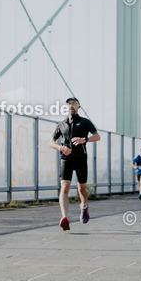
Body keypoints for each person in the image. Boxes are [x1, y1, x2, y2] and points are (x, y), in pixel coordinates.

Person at [49, 98, 100, 230]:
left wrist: (85, 139)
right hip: (66, 159)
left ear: (78, 106)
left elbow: (97, 136)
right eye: (69, 103)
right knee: (64, 187)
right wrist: (61, 148)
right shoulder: (62, 124)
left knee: (81, 189)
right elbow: (51, 142)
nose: (71, 105)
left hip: (81, 159)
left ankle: (84, 206)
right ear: (67, 106)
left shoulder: (84, 122)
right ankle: (64, 218)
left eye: (74, 103)